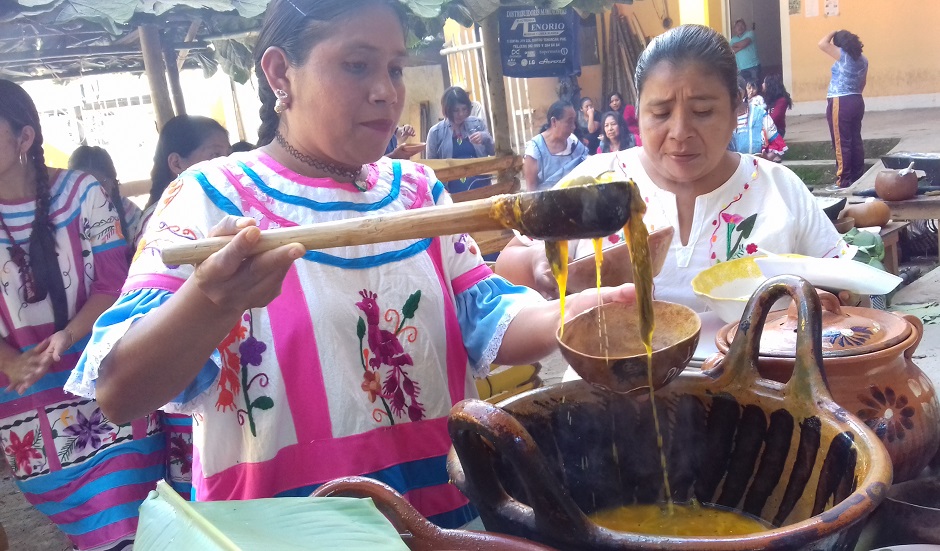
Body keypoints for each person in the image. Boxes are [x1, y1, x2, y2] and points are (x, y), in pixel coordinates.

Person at [66, 0, 635, 529]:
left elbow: (482, 312)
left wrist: (578, 316)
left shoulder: (416, 190)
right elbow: (121, 393)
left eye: (394, 68)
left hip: (443, 515)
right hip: (288, 529)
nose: (387, 91)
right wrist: (213, 302)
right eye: (358, 66)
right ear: (279, 74)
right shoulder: (207, 197)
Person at [496, 25, 848, 311]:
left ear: (735, 110)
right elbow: (507, 264)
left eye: (703, 112)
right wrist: (536, 266)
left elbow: (844, 284)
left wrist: (825, 305)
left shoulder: (777, 189)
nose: (680, 133)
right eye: (661, 113)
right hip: (609, 394)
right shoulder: (595, 181)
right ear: (639, 112)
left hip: (754, 392)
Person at [0, 80, 163, 551]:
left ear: (24, 139)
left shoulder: (83, 192)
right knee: (95, 527)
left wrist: (67, 336)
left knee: (126, 515)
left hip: (104, 377)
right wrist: (11, 362)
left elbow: (114, 285)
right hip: (26, 397)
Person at [68, 145, 144, 251]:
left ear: (113, 182)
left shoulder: (134, 217)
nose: (93, 194)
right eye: (83, 187)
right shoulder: (65, 220)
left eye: (99, 185)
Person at [820, 29, 868, 189]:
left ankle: (843, 180)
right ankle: (857, 177)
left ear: (841, 44)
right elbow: (863, 83)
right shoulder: (863, 60)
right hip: (856, 100)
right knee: (855, 140)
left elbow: (822, 44)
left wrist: (832, 31)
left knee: (842, 142)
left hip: (840, 101)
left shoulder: (842, 55)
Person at [425, 86, 494, 193]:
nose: (461, 114)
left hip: (482, 188)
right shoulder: (435, 133)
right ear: (447, 111)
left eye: (464, 109)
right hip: (451, 193)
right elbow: (430, 169)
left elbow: (494, 151)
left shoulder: (478, 124)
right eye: (456, 110)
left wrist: (486, 138)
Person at [523, 100, 588, 191]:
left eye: (574, 122)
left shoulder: (574, 143)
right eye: (569, 122)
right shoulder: (535, 150)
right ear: (554, 121)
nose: (573, 127)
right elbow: (531, 191)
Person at [730, 77, 787, 162]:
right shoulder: (720, 117)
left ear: (741, 93)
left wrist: (766, 159)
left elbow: (776, 144)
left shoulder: (759, 114)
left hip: (755, 171)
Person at [730, 19, 760, 84]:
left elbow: (745, 43)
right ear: (734, 28)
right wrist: (741, 46)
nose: (740, 27)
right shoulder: (733, 39)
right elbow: (731, 50)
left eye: (742, 25)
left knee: (755, 88)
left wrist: (735, 45)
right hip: (741, 69)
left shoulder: (750, 33)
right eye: (738, 25)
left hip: (753, 67)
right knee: (744, 90)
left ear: (745, 26)